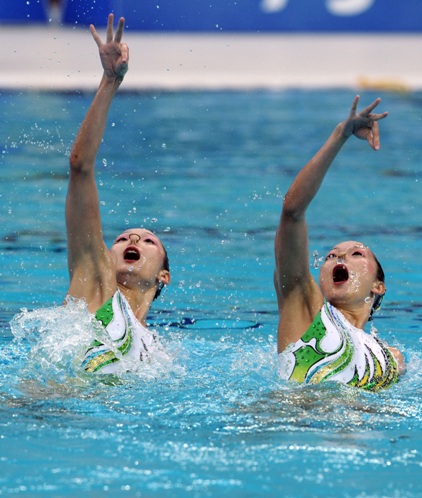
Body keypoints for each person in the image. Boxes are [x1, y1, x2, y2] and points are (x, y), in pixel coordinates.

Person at [275, 96, 405, 391]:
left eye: (356, 253)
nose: (338, 258)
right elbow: (292, 212)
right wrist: (340, 134)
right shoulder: (305, 306)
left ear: (378, 286)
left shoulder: (391, 359)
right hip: (295, 427)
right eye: (332, 255)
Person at [66, 14, 170, 373]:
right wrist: (110, 82)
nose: (134, 240)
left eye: (148, 242)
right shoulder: (94, 285)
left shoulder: (159, 352)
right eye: (125, 238)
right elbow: (80, 168)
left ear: (163, 277)